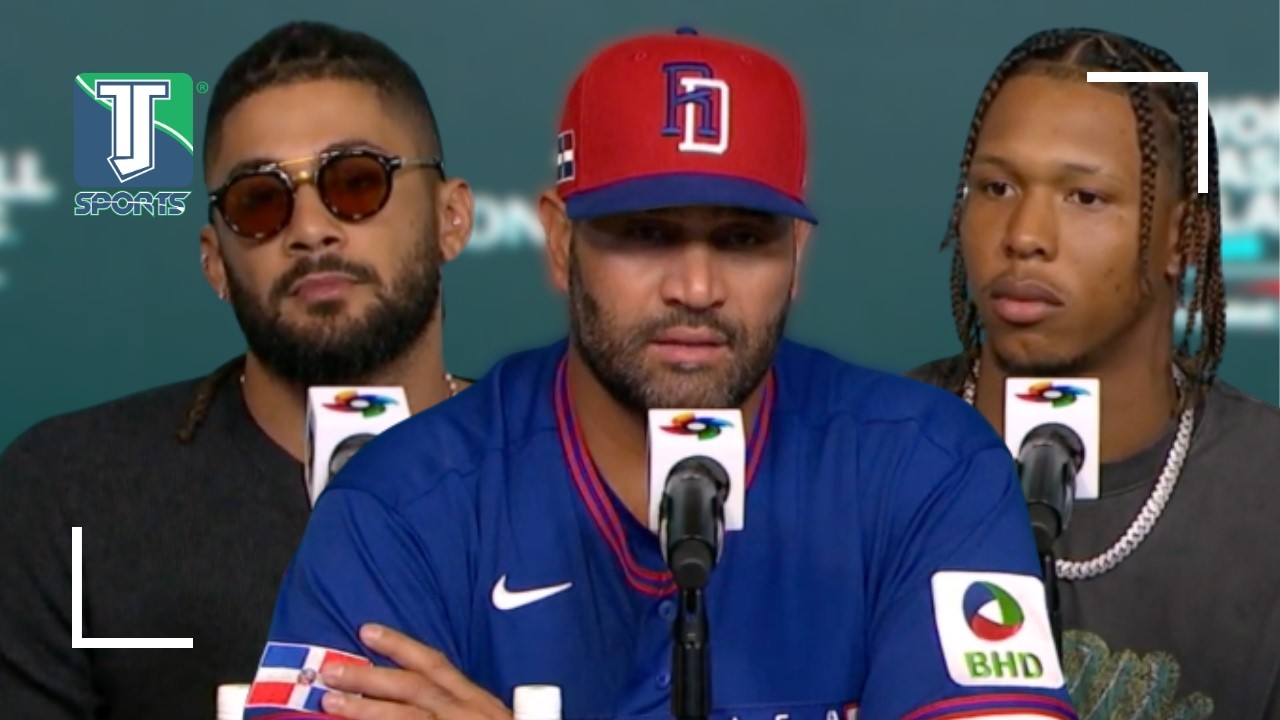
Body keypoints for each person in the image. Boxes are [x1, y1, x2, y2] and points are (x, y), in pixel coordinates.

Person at [246, 28, 1078, 720]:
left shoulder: (929, 469)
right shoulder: (398, 503)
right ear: (561, 242)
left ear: (796, 256)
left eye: (742, 240)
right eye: (647, 234)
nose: (696, 287)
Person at [0, 20, 476, 720]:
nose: (310, 228)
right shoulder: (67, 495)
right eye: (260, 200)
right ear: (216, 263)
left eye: (356, 182)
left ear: (451, 218)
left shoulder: (575, 482)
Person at [909, 27, 1280, 719]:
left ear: (1184, 237)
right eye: (996, 186)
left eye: (1084, 197)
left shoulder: (1266, 489)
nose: (1024, 235)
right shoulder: (866, 455)